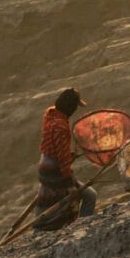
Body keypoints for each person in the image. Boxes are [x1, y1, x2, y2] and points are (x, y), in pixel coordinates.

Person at [35, 87, 97, 230]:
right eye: (75, 106)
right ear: (70, 107)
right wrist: (70, 184)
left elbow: (55, 148)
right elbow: (62, 160)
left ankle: (40, 225)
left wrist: (69, 155)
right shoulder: (61, 127)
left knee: (47, 197)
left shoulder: (50, 115)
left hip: (44, 163)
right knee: (89, 196)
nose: (76, 109)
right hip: (53, 168)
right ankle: (82, 226)